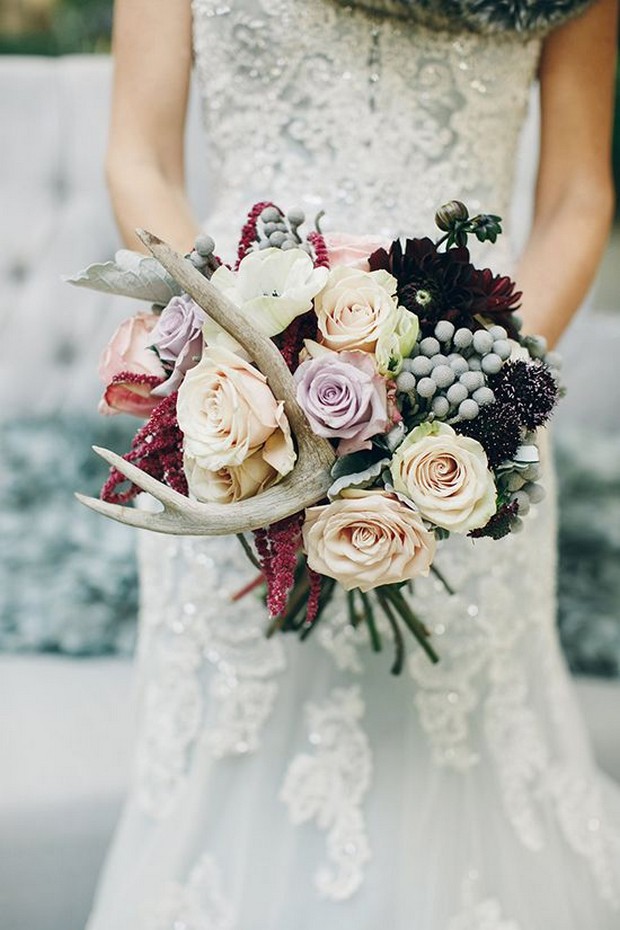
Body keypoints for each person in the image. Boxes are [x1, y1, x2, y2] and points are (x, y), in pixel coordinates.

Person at [87, 1, 620, 928]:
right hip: (232, 408)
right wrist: (238, 350)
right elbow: (141, 157)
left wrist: (489, 396)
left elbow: (580, 194)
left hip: (469, 413)